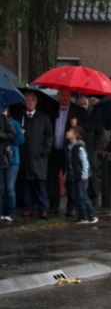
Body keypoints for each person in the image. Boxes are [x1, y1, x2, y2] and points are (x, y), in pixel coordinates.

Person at [47, 87, 89, 217]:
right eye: (62, 95)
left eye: (67, 95)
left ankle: (71, 206)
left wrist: (76, 125)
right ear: (58, 95)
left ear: (70, 96)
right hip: (54, 149)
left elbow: (90, 126)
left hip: (69, 150)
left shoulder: (78, 111)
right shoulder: (52, 109)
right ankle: (54, 205)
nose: (64, 98)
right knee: (52, 178)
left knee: (70, 178)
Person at [14, 91, 53, 219]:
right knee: (25, 184)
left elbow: (49, 136)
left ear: (36, 102)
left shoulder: (44, 117)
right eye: (26, 100)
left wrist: (44, 150)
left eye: (32, 100)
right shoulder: (19, 118)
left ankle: (43, 208)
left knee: (39, 184)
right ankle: (28, 208)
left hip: (38, 157)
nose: (29, 102)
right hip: (24, 155)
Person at [64, 125, 97, 224]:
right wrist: (67, 175)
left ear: (74, 135)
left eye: (69, 131)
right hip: (75, 176)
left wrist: (84, 174)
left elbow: (84, 162)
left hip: (81, 176)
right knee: (78, 196)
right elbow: (70, 164)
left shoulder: (79, 148)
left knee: (83, 196)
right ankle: (82, 216)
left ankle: (91, 215)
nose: (67, 133)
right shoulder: (71, 147)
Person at [75, 95, 104, 204]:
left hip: (90, 147)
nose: (83, 106)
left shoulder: (92, 115)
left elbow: (99, 131)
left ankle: (94, 196)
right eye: (81, 104)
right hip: (79, 146)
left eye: (84, 104)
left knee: (91, 171)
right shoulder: (75, 115)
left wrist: (94, 145)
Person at [0, 105, 23, 221]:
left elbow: (20, 139)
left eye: (5, 109)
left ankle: (11, 212)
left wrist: (6, 136)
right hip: (1, 159)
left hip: (13, 159)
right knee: (2, 188)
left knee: (9, 187)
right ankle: (2, 211)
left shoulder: (14, 123)